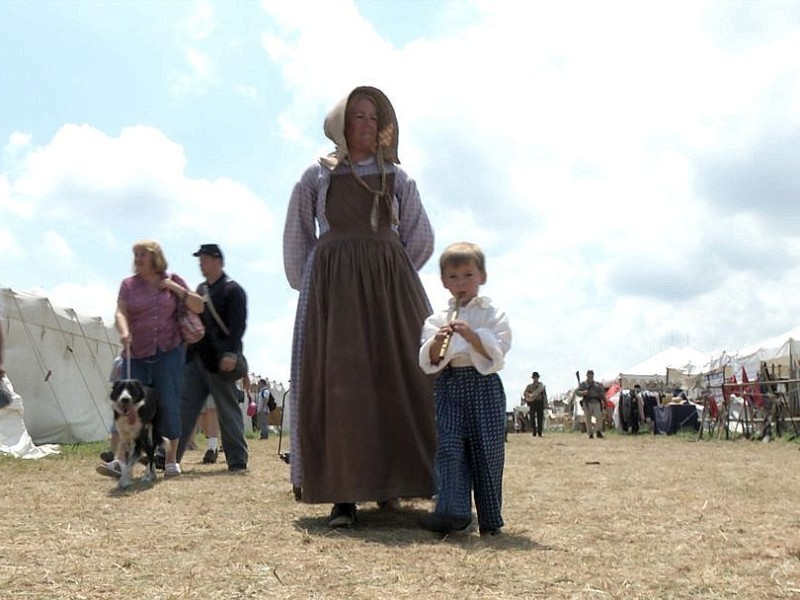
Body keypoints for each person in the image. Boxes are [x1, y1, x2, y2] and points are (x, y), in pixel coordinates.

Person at [283, 85, 437, 528]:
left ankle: (395, 482)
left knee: (401, 377)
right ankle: (343, 495)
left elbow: (419, 237)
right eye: (358, 116)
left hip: (390, 289)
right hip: (335, 290)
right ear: (340, 124)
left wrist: (392, 269)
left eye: (373, 117)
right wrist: (315, 278)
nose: (366, 124)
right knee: (342, 385)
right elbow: (298, 237)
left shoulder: (399, 178)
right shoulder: (316, 176)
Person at [418, 242, 511, 536]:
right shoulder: (437, 319)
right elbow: (430, 360)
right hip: (450, 386)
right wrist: (438, 342)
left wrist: (472, 337)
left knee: (487, 452)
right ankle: (454, 512)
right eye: (454, 277)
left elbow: (499, 348)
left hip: (484, 386)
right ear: (444, 281)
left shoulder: (493, 314)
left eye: (468, 275)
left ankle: (490, 519)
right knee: (449, 448)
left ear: (482, 276)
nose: (461, 284)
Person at [100, 239, 205, 479]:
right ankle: (120, 459)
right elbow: (120, 312)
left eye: (142, 254)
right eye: (135, 254)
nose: (137, 258)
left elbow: (199, 307)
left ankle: (170, 460)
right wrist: (124, 331)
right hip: (135, 352)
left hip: (168, 351)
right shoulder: (128, 285)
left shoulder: (173, 280)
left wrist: (175, 289)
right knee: (125, 404)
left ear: (155, 256)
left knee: (168, 401)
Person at [176, 244, 249, 472]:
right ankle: (168, 457)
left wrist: (231, 354)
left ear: (218, 261)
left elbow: (238, 327)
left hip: (220, 361)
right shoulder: (200, 289)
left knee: (227, 411)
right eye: (200, 259)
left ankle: (237, 458)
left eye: (206, 259)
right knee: (184, 409)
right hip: (197, 357)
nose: (201, 263)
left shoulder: (233, 290)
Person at [575, 369, 606, 439]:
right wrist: (583, 393)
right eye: (589, 374)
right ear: (587, 375)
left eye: (591, 374)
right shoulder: (583, 384)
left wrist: (605, 401)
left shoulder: (597, 384)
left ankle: (598, 431)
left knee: (599, 416)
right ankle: (590, 433)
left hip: (596, 402)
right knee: (588, 418)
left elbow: (602, 393)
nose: (590, 375)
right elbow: (576, 392)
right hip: (587, 402)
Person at [523, 371, 547, 437]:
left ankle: (539, 432)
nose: (535, 379)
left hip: (540, 402)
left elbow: (542, 393)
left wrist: (545, 404)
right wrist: (529, 395)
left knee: (540, 418)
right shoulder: (529, 386)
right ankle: (534, 431)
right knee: (532, 417)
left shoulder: (541, 385)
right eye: (534, 377)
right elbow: (524, 393)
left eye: (536, 377)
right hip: (532, 403)